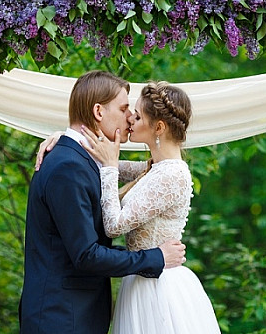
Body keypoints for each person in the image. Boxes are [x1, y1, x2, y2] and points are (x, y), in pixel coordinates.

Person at [37, 81, 220, 334]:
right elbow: (98, 161)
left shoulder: (172, 175)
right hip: (140, 277)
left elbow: (113, 224)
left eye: (137, 114)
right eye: (127, 110)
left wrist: (109, 166)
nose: (130, 119)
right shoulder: (154, 168)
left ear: (158, 127)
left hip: (159, 285)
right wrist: (66, 139)